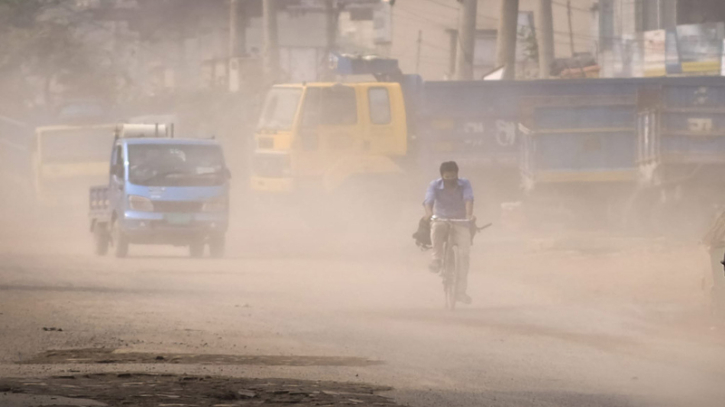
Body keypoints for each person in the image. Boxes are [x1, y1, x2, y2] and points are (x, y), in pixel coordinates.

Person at [423, 161, 475, 305]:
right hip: (441, 218)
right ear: (442, 176)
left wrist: (469, 215)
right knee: (437, 227)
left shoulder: (465, 183)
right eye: (447, 177)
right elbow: (428, 201)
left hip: (460, 220)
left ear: (457, 175)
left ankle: (460, 292)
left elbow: (468, 199)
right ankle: (437, 259)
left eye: (453, 177)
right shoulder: (434, 185)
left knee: (464, 257)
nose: (450, 180)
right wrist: (429, 214)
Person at [702, 209, 725, 316]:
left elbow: (710, 237)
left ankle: (720, 309)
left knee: (720, 281)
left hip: (719, 249)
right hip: (719, 248)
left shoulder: (722, 219)